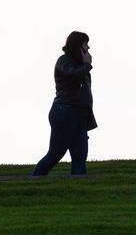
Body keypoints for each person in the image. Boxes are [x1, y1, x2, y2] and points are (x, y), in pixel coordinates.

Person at [32, 31, 96, 177]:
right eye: (86, 44)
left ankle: (80, 193)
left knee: (80, 156)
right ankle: (34, 181)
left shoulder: (81, 65)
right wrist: (87, 65)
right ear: (78, 46)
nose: (88, 48)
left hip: (80, 115)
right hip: (65, 112)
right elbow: (72, 74)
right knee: (55, 154)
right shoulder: (64, 61)